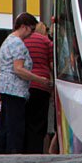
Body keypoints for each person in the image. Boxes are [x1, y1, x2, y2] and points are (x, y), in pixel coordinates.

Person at [0, 13, 50, 154]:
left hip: (5, 87)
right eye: (31, 30)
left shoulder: (8, 40)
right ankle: (13, 151)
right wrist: (40, 80)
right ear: (23, 27)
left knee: (5, 124)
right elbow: (18, 69)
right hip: (15, 89)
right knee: (15, 125)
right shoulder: (18, 43)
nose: (31, 34)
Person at [23, 19, 54, 154]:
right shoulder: (47, 42)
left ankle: (24, 149)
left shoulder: (23, 40)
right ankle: (35, 150)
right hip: (42, 85)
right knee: (39, 121)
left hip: (25, 84)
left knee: (26, 118)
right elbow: (52, 65)